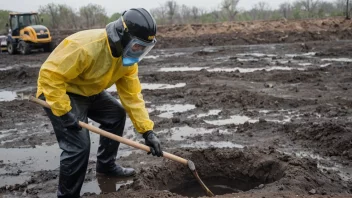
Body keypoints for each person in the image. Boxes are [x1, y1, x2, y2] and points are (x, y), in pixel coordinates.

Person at [36, 8, 162, 198]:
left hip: (88, 90)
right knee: (79, 145)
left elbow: (133, 97)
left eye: (144, 48)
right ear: (123, 35)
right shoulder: (86, 47)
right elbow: (49, 76)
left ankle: (106, 166)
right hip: (59, 91)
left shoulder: (127, 61)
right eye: (137, 46)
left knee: (116, 115)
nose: (139, 52)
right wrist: (62, 110)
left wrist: (147, 131)